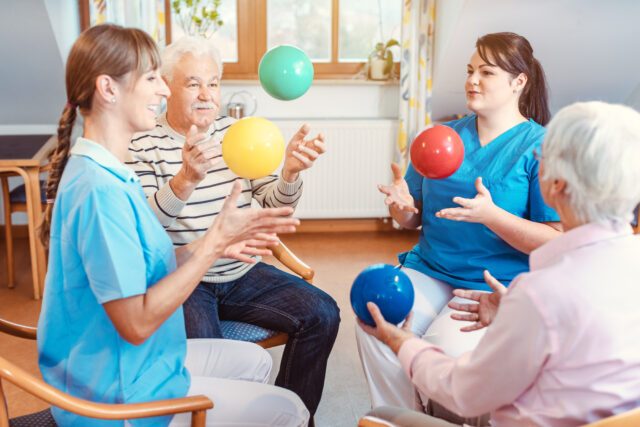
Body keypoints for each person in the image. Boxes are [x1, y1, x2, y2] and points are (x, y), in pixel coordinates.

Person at [37, 24, 309, 427]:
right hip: (121, 397)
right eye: (152, 79)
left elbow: (147, 261)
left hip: (141, 363)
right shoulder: (100, 191)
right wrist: (213, 245)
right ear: (108, 89)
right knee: (291, 411)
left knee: (253, 360)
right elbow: (136, 323)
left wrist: (214, 243)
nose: (164, 91)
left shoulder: (110, 173)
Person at [360, 101, 640, 426]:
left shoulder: (541, 294)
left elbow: (462, 392)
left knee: (381, 419)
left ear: (557, 185)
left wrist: (403, 343)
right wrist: (512, 310)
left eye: (542, 159)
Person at [126, 36, 340, 418]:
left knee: (323, 314)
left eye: (213, 83)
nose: (207, 95)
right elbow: (146, 231)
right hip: (184, 279)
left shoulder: (237, 133)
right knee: (213, 376)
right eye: (193, 83)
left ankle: (290, 417)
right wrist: (183, 180)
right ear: (166, 86)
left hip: (241, 271)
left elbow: (275, 204)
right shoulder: (142, 143)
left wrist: (289, 174)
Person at [356, 32, 562, 411]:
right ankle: (398, 419)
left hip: (490, 287)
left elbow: (553, 240)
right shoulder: (441, 137)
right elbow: (412, 218)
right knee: (374, 316)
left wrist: (492, 216)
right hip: (430, 270)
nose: (472, 80)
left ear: (519, 82)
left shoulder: (541, 147)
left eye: (486, 72)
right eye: (469, 71)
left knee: (441, 352)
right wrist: (401, 208)